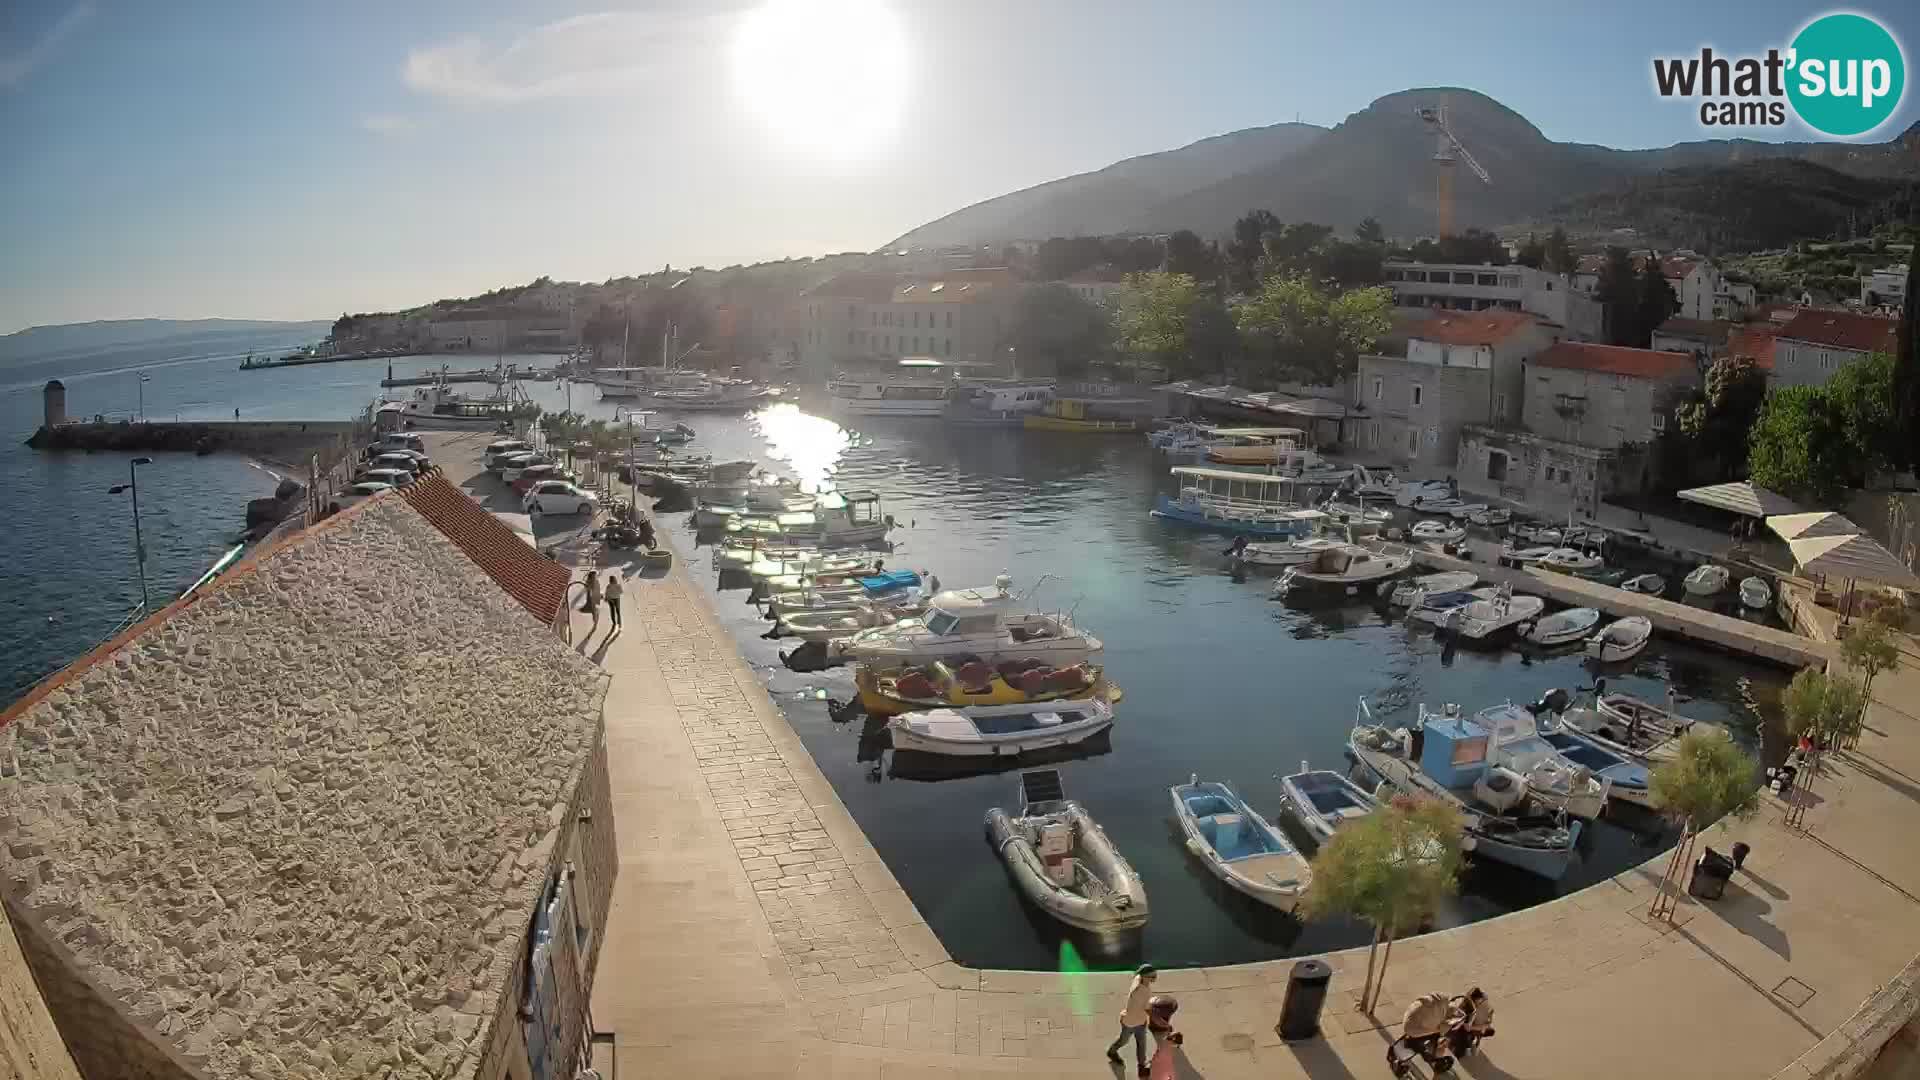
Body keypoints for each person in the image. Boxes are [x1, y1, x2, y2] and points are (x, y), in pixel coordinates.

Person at [1105, 964, 1156, 1077]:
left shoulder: (1137, 979)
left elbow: (1138, 975)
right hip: (1133, 1022)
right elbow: (1148, 1008)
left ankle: (1141, 1067)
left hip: (1134, 1019)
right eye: (1151, 976)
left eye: (1154, 975)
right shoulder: (1142, 992)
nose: (1154, 978)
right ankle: (1111, 1051)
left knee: (1141, 1044)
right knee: (1125, 1041)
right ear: (1145, 977)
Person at [1389, 991, 1457, 1072]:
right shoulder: (1437, 1014)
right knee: (1428, 1045)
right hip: (1418, 1031)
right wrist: (1440, 1030)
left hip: (1412, 1024)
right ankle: (1433, 1059)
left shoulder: (1429, 1006)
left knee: (1415, 1039)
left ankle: (1411, 1046)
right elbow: (1440, 1029)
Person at [1447, 987, 1494, 1058]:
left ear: (1478, 999)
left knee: (1462, 1043)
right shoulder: (1469, 997)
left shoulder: (1485, 1009)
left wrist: (1471, 1027)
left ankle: (1464, 1049)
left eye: (1472, 1001)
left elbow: (1486, 1025)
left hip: (1474, 1027)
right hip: (1464, 1021)